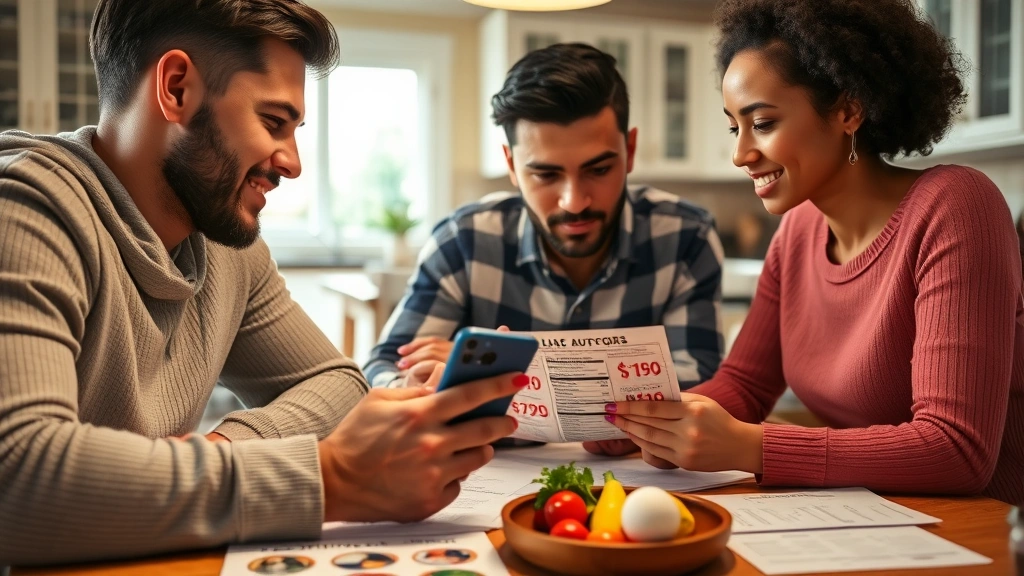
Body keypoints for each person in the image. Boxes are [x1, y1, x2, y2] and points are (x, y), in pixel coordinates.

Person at [0, 0, 526, 566]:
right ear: (176, 89)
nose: (293, 162)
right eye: (273, 122)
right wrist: (335, 475)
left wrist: (223, 449)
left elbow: (338, 385)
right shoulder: (26, 211)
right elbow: (18, 478)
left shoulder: (226, 243)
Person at [601, 0, 1024, 507]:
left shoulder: (955, 207)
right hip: (875, 513)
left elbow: (955, 450)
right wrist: (651, 421)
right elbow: (746, 384)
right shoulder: (799, 228)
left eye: (763, 122)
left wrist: (749, 446)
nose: (740, 154)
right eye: (736, 127)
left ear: (848, 111)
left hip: (988, 529)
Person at [363, 44, 726, 453]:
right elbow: (383, 368)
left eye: (599, 169)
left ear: (631, 151)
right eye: (546, 174)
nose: (574, 201)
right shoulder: (463, 241)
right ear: (512, 166)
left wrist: (490, 374)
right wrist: (417, 386)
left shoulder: (685, 238)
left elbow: (701, 384)